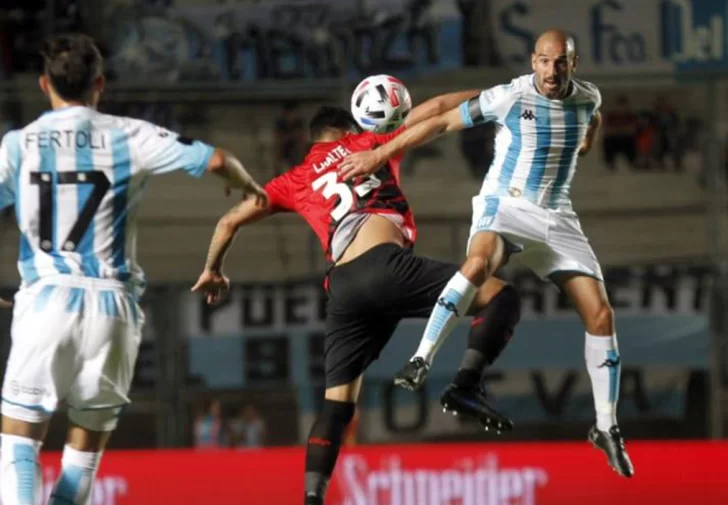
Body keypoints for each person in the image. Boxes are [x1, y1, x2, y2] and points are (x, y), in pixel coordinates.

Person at [192, 99, 523, 505]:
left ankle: (312, 498)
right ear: (347, 131)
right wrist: (501, 94)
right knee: (499, 296)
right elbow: (437, 109)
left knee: (337, 405)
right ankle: (467, 385)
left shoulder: (293, 179)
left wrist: (213, 268)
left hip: (344, 290)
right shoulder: (367, 142)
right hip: (387, 267)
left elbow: (227, 221)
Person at [339, 29, 634, 478]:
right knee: (477, 265)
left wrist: (587, 142)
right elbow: (439, 122)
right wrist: (380, 156)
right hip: (505, 206)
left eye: (561, 63)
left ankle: (606, 427)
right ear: (533, 61)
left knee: (601, 316)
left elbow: (592, 119)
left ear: (574, 64)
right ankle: (422, 358)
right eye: (544, 61)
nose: (551, 71)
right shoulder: (509, 97)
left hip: (557, 218)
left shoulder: (588, 98)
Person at [0, 33, 267, 505]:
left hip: (45, 302)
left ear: (44, 84)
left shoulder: (18, 146)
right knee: (82, 454)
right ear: (99, 83)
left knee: (20, 439)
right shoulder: (128, 134)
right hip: (113, 311)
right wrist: (249, 187)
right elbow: (219, 160)